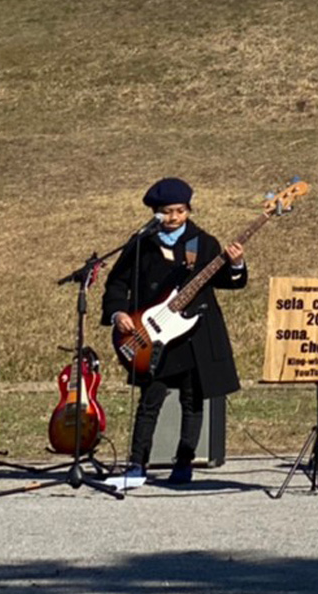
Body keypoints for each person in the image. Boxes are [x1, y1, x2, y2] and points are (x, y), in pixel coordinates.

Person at [101, 177, 246, 487]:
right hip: (152, 336)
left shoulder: (203, 242)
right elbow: (116, 283)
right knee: (149, 401)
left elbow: (227, 282)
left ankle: (184, 463)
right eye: (167, 212)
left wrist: (237, 264)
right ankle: (137, 464)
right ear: (155, 212)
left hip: (193, 335)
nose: (174, 218)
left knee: (193, 402)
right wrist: (119, 314)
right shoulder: (141, 243)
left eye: (180, 211)